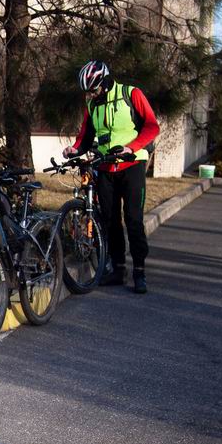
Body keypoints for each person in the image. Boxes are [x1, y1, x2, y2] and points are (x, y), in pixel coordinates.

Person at [62, 60, 160, 294]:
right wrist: (75, 149)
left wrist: (132, 146)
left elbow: (152, 126)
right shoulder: (93, 104)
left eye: (94, 89)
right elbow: (86, 134)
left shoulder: (131, 94)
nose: (91, 94)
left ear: (105, 82)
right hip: (106, 167)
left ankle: (139, 270)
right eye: (88, 91)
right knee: (110, 221)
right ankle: (118, 269)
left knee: (133, 219)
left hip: (132, 164)